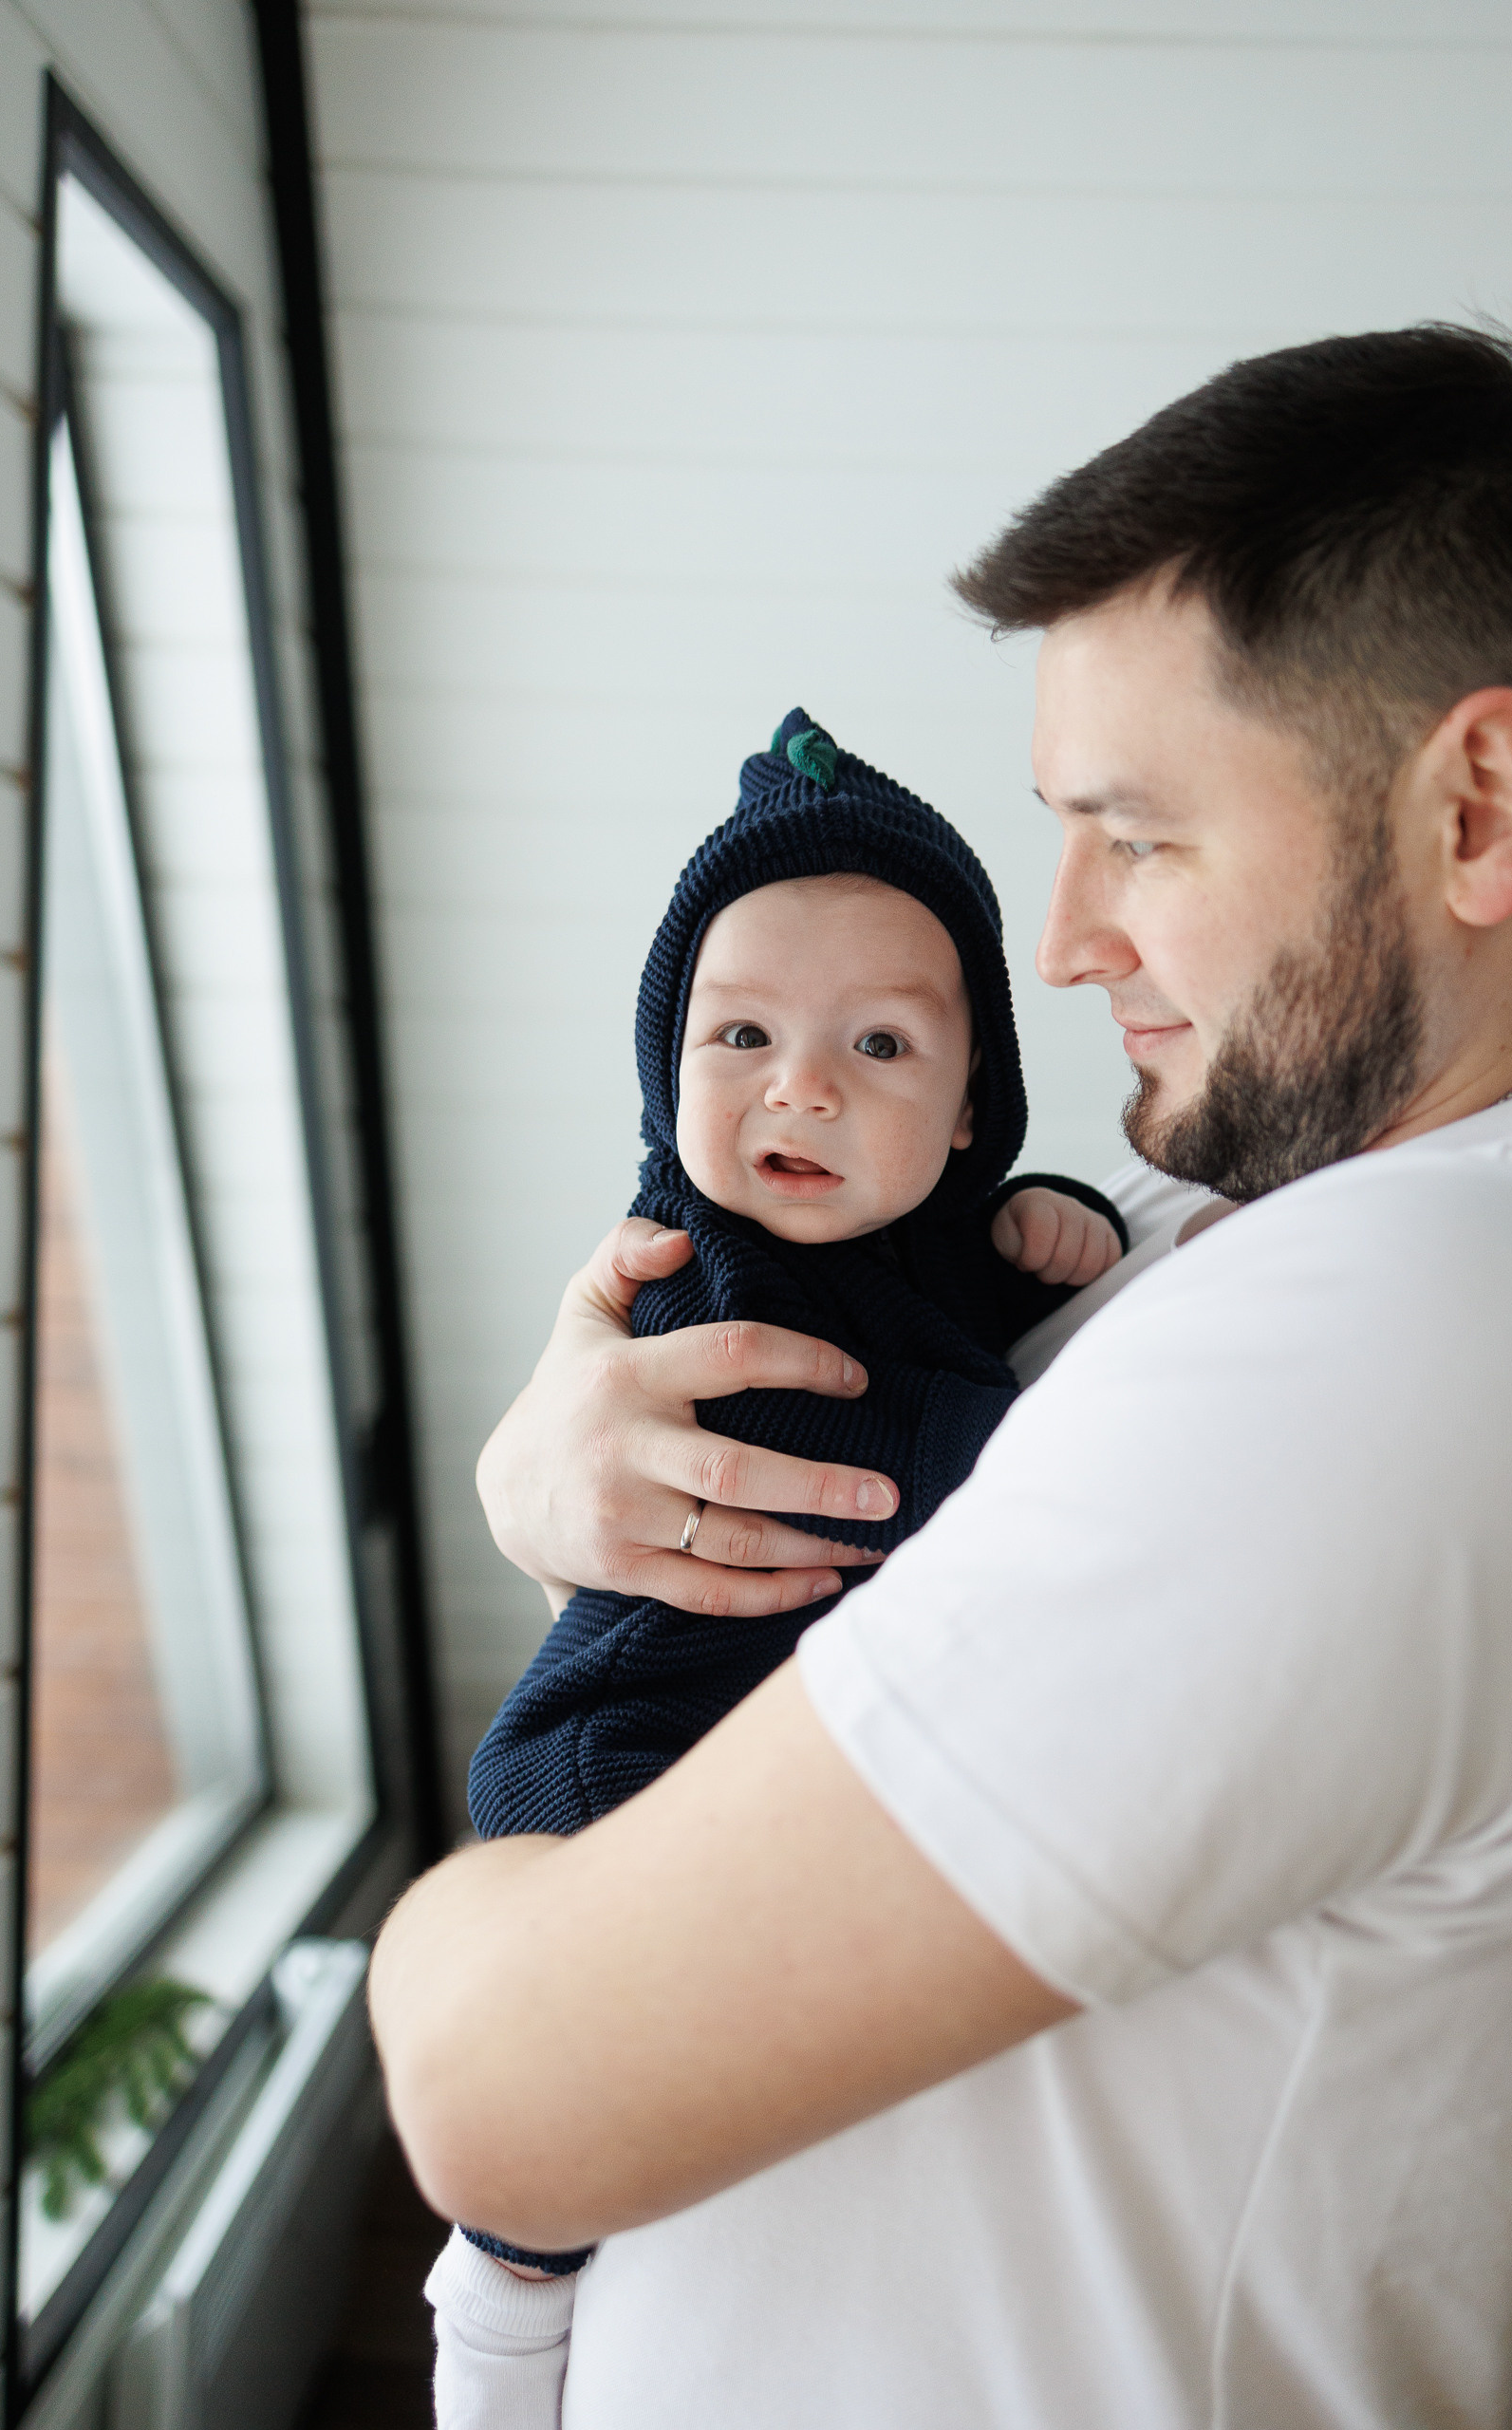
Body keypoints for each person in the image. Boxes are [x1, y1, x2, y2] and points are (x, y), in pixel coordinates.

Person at [374, 325, 1512, 2430]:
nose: (1062, 942)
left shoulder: (1417, 1318)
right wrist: (550, 1467)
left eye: (1133, 836)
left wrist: (459, 1920)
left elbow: (501, 2094)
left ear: (1475, 809)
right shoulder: (1317, 1231)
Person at [446, 713, 1122, 2305]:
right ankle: (502, 2314)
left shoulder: (960, 1245)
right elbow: (567, 1430)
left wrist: (1060, 1216)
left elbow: (1023, 1255)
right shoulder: (684, 1247)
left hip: (819, 1742)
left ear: (969, 1115)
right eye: (738, 1040)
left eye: (878, 1048)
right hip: (640, 1707)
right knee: (563, 2056)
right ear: (667, 1076)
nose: (799, 1092)